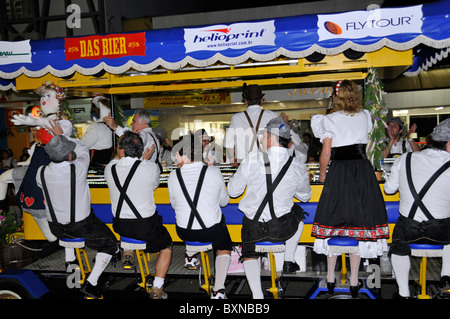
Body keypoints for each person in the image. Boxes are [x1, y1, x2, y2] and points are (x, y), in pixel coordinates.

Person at [310, 80, 389, 297]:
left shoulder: (329, 120)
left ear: (337, 97)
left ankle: (330, 277)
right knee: (359, 224)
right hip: (362, 172)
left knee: (331, 221)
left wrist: (323, 173)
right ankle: (354, 280)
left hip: (339, 172)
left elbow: (326, 152)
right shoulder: (365, 116)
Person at [227, 116, 312, 299]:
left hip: (253, 228)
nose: (262, 139)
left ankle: (257, 296)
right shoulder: (296, 165)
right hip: (281, 229)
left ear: (271, 137)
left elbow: (233, 192)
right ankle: (289, 259)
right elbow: (306, 197)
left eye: (264, 135)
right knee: (298, 211)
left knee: (249, 254)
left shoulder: (251, 159)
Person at [36, 129, 119, 299]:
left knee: (70, 238)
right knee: (110, 245)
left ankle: (72, 272)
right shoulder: (78, 168)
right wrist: (65, 135)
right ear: (68, 155)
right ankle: (91, 283)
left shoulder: (41, 172)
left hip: (56, 228)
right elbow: (83, 150)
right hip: (81, 225)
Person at [384, 118, 450, 299]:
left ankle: (403, 293)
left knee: (398, 247)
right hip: (440, 231)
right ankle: (446, 278)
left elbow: (388, 190)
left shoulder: (406, 158)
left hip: (408, 228)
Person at [1, 81, 74, 242]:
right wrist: (28, 161)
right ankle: (1, 211)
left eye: (48, 96)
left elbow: (56, 132)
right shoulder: (44, 125)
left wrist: (34, 122)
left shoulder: (64, 124)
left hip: (50, 167)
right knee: (4, 177)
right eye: (42, 96)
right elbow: (38, 146)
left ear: (59, 101)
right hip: (36, 165)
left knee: (39, 200)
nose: (43, 100)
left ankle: (57, 238)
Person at [104, 131, 172, 299]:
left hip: (120, 226)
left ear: (121, 150)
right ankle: (157, 288)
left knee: (129, 225)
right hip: (146, 227)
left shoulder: (109, 169)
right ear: (141, 150)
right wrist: (145, 160)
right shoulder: (150, 167)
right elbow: (154, 183)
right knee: (167, 246)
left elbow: (118, 159)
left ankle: (128, 250)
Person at [168, 133, 231, 299]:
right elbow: (224, 203)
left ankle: (190, 255)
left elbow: (174, 206)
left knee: (191, 219)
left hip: (184, 232)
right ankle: (218, 290)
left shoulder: (173, 176)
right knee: (224, 244)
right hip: (210, 231)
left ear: (184, 155)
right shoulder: (213, 172)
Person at [224, 83, 278, 166]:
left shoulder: (236, 118)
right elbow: (279, 142)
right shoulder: (272, 116)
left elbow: (228, 143)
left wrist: (231, 158)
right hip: (267, 165)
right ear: (262, 100)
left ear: (245, 101)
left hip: (245, 166)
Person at [80, 95, 114, 171]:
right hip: (107, 162)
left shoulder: (96, 127)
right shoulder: (112, 127)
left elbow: (83, 144)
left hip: (95, 164)